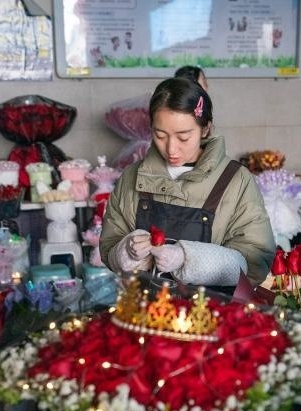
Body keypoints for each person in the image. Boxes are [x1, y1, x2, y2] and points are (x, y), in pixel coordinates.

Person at [100, 77, 274, 289]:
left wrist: (187, 258)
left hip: (211, 308)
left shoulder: (236, 180)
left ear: (205, 129)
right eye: (160, 135)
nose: (171, 149)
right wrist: (126, 254)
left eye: (183, 137)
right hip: (144, 307)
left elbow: (256, 263)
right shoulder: (132, 176)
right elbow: (109, 247)